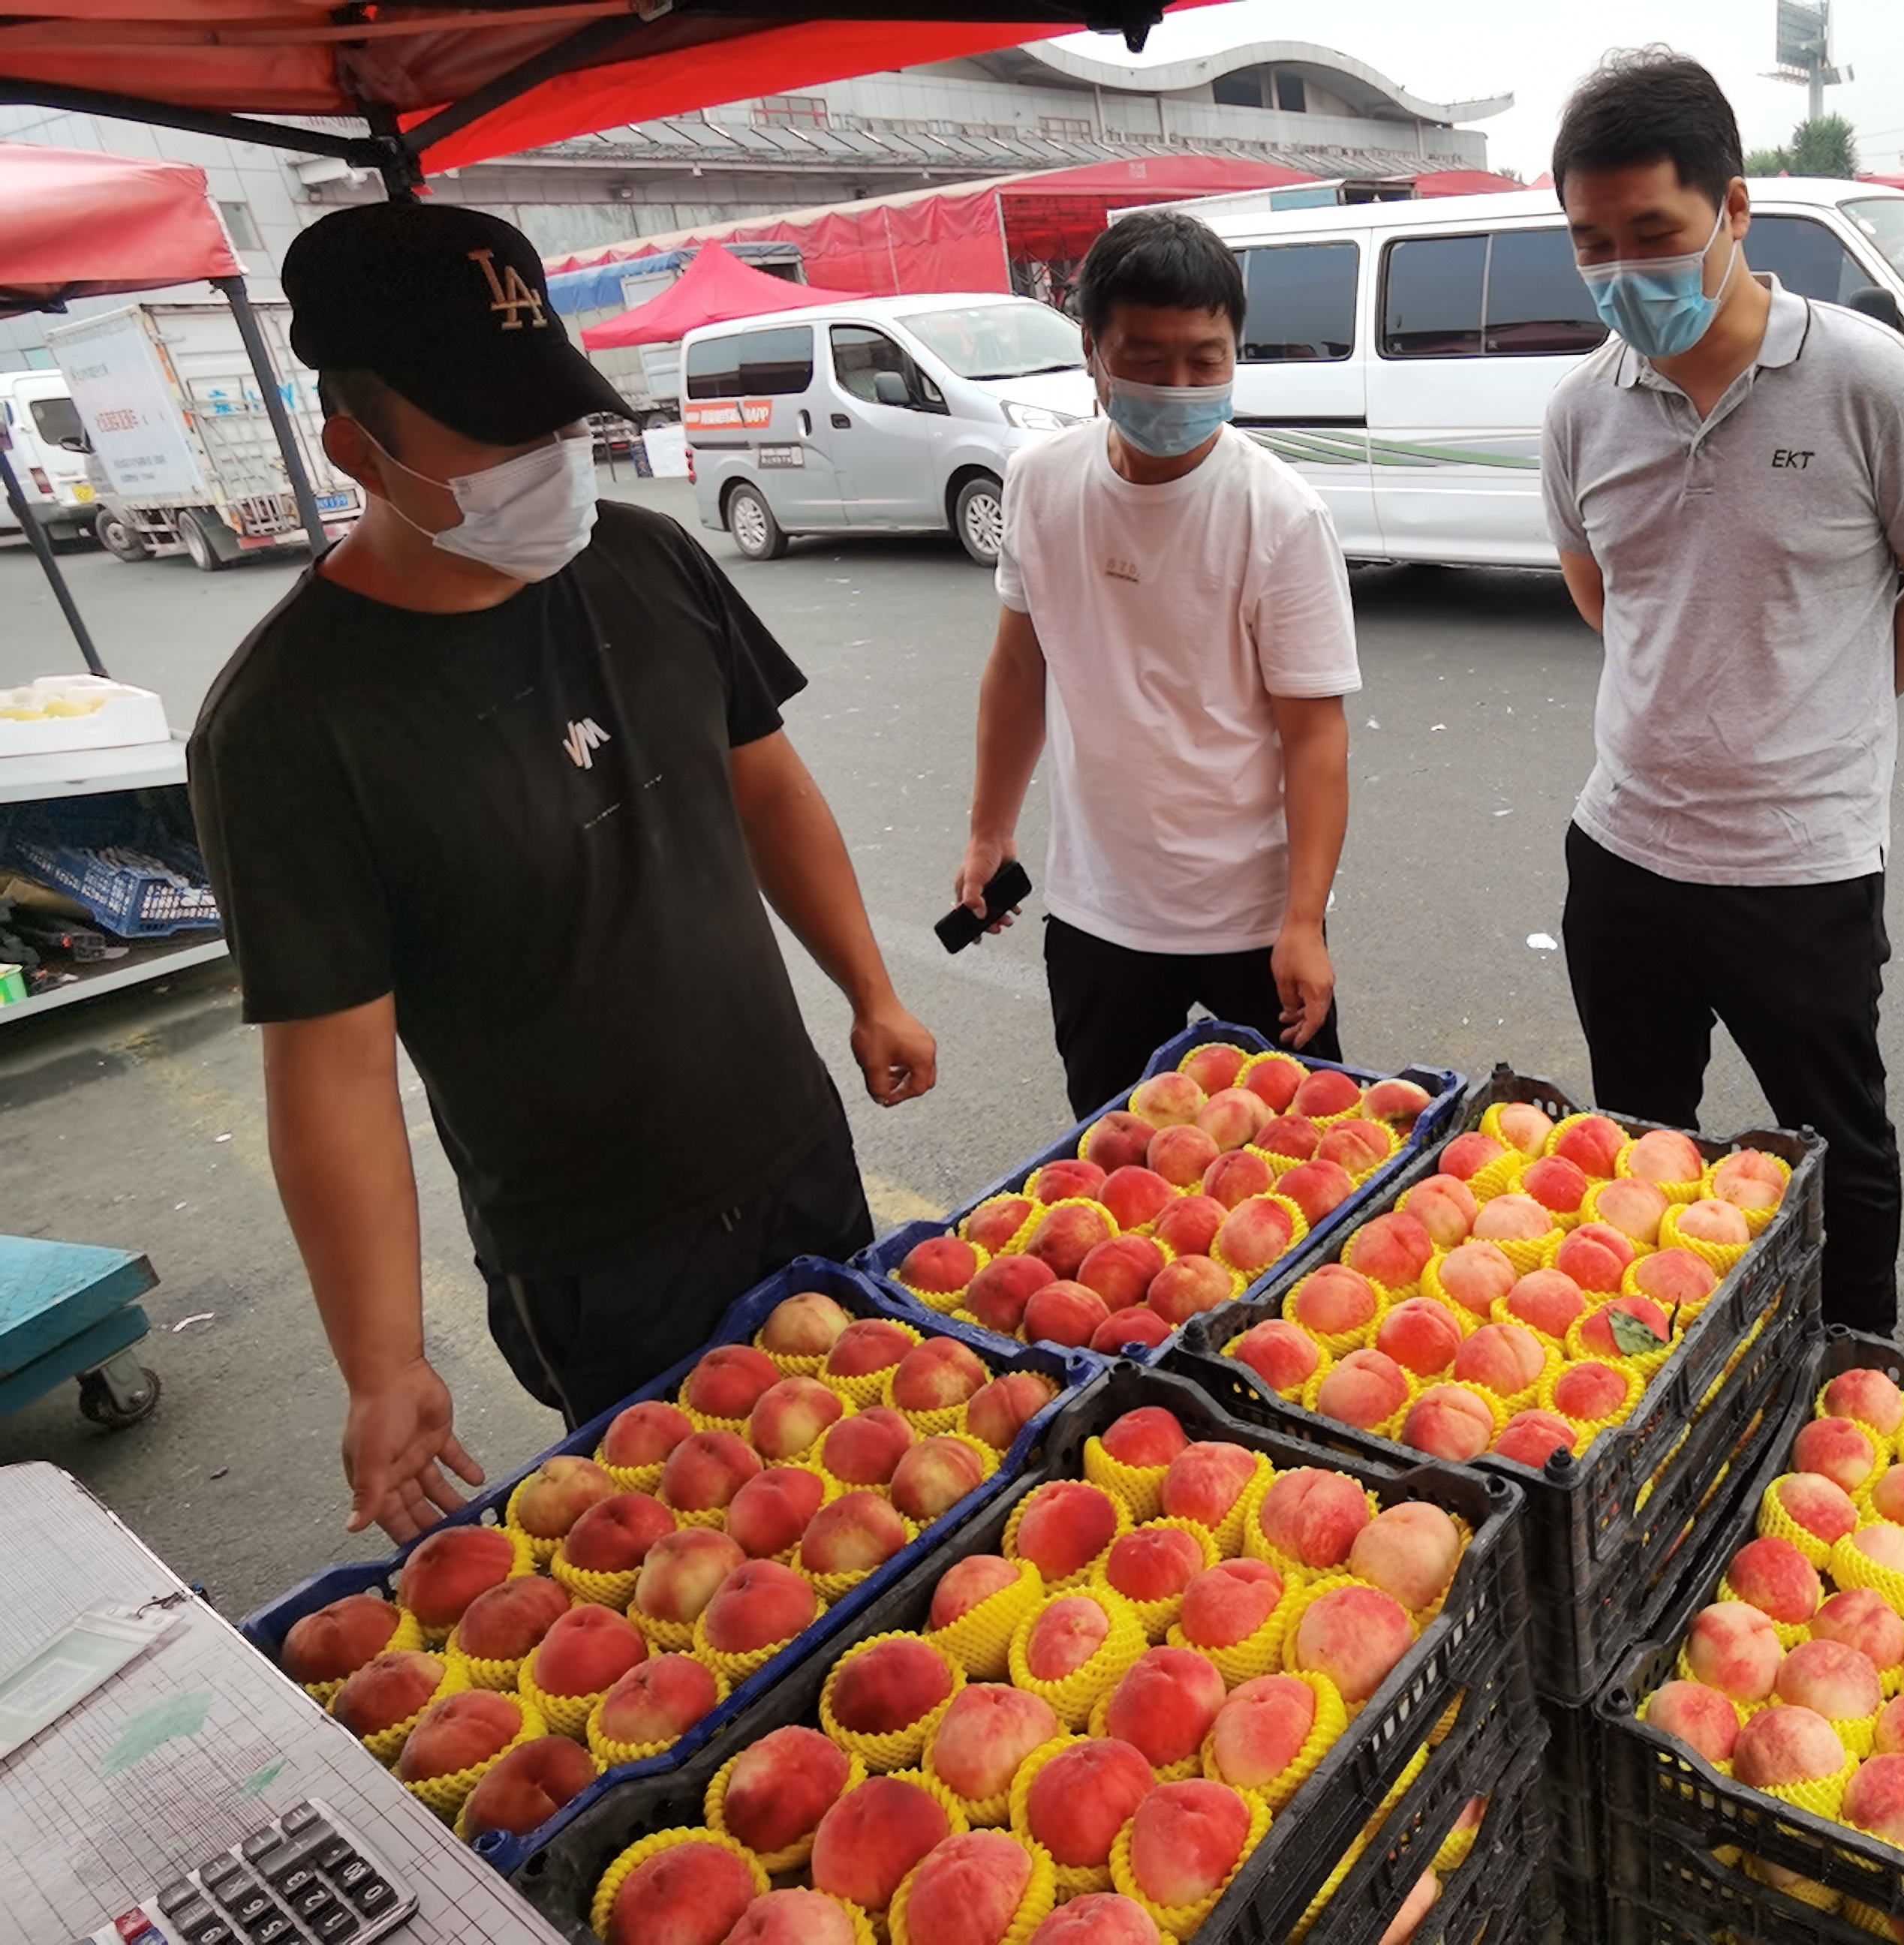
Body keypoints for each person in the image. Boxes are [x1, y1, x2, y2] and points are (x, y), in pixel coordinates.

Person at [190, 204, 935, 1543]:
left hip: (793, 1150)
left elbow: (767, 782)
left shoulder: (648, 560)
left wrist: (869, 987)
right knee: (710, 1551)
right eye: (496, 433)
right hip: (597, 1250)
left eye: (556, 419)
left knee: (882, 1486)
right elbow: (332, 1069)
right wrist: (383, 1360)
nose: (549, 461)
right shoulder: (289, 727)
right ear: (353, 446)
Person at [1539, 50, 1904, 1334]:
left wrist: (1821, 708)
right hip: (1623, 854)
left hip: (1802, 866)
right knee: (1636, 1146)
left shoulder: (1871, 383)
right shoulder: (1581, 412)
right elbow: (1603, 596)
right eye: (1593, 244)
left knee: (1836, 1145)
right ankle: (1666, 1360)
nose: (1624, 271)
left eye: (1654, 235)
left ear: (1734, 211)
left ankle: (1850, 1368)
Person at [956, 209, 1358, 1118]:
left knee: (1308, 1158)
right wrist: (990, 831)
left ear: (1235, 355)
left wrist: (1302, 921)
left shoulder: (1280, 516)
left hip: (1252, 919)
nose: (1179, 386)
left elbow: (1315, 737)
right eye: (1145, 359)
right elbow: (1020, 671)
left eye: (1205, 361)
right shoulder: (1038, 483)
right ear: (1093, 353)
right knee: (1115, 1164)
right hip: (1099, 913)